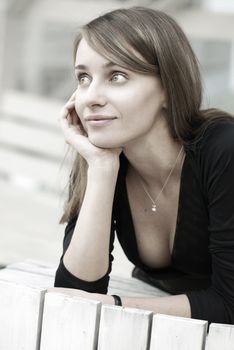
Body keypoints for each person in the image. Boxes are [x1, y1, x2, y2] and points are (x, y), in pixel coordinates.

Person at [53, 6, 234, 325]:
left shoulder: (223, 149)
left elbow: (230, 303)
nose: (90, 97)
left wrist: (116, 305)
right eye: (83, 77)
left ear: (168, 86)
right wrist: (102, 169)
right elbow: (75, 292)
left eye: (117, 76)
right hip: (168, 328)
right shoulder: (101, 152)